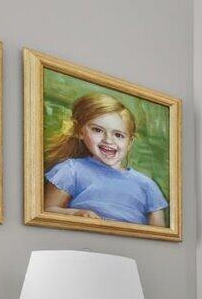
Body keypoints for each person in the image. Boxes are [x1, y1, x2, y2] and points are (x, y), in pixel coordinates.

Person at [43, 93, 167, 226]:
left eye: (119, 135)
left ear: (130, 142)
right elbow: (47, 210)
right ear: (80, 132)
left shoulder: (147, 185)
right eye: (97, 130)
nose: (108, 140)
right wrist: (75, 213)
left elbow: (159, 231)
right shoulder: (71, 170)